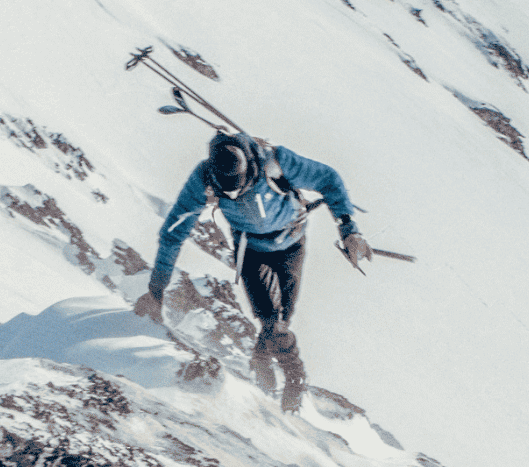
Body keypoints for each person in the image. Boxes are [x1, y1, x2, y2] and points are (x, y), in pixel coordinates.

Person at [133, 129, 370, 410]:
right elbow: (174, 232)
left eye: (238, 188)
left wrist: (349, 230)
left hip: (292, 245)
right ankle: (294, 378)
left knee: (280, 322)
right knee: (273, 322)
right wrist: (156, 291)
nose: (232, 195)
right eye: (226, 194)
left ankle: (261, 367)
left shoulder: (275, 163)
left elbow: (328, 178)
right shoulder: (204, 179)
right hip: (251, 250)